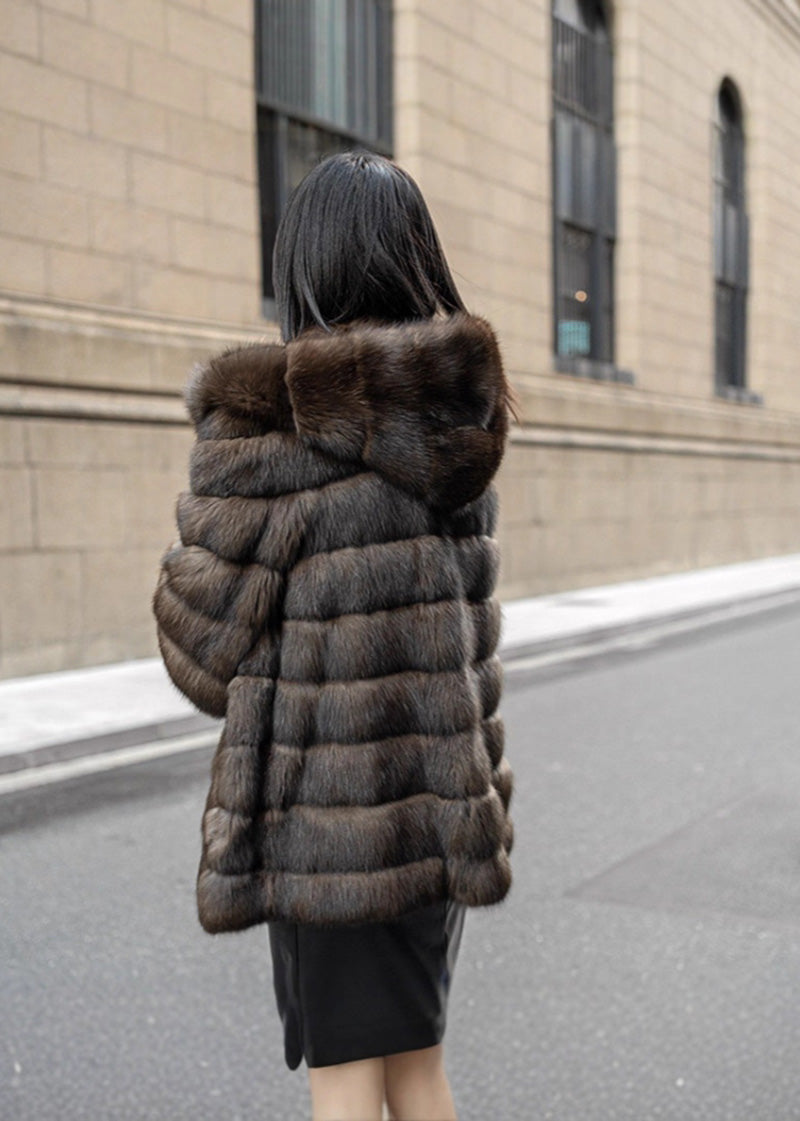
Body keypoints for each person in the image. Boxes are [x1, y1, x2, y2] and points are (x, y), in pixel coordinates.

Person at [151, 150, 518, 1121]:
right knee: (414, 1068)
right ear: (415, 260)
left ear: (304, 266)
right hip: (437, 818)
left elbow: (202, 654)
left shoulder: (268, 431)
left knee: (347, 1082)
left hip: (327, 834)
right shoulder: (454, 423)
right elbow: (473, 647)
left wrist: (196, 546)